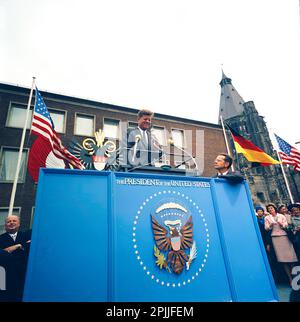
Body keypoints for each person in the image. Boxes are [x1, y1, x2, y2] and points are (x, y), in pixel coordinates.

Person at [0, 215, 31, 301]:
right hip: (6, 275)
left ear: (19, 224)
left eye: (14, 221)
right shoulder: (0, 238)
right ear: (5, 225)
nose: (11, 223)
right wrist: (18, 246)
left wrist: (10, 250)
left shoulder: (27, 235)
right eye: (9, 221)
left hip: (24, 273)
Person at [264, 204, 298, 285]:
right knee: (283, 260)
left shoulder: (281, 216)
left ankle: (295, 278)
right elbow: (266, 228)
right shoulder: (267, 218)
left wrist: (282, 224)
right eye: (269, 209)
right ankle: (290, 279)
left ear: (274, 208)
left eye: (271, 208)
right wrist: (270, 225)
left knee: (291, 258)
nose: (270, 209)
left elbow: (286, 225)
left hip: (284, 236)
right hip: (275, 238)